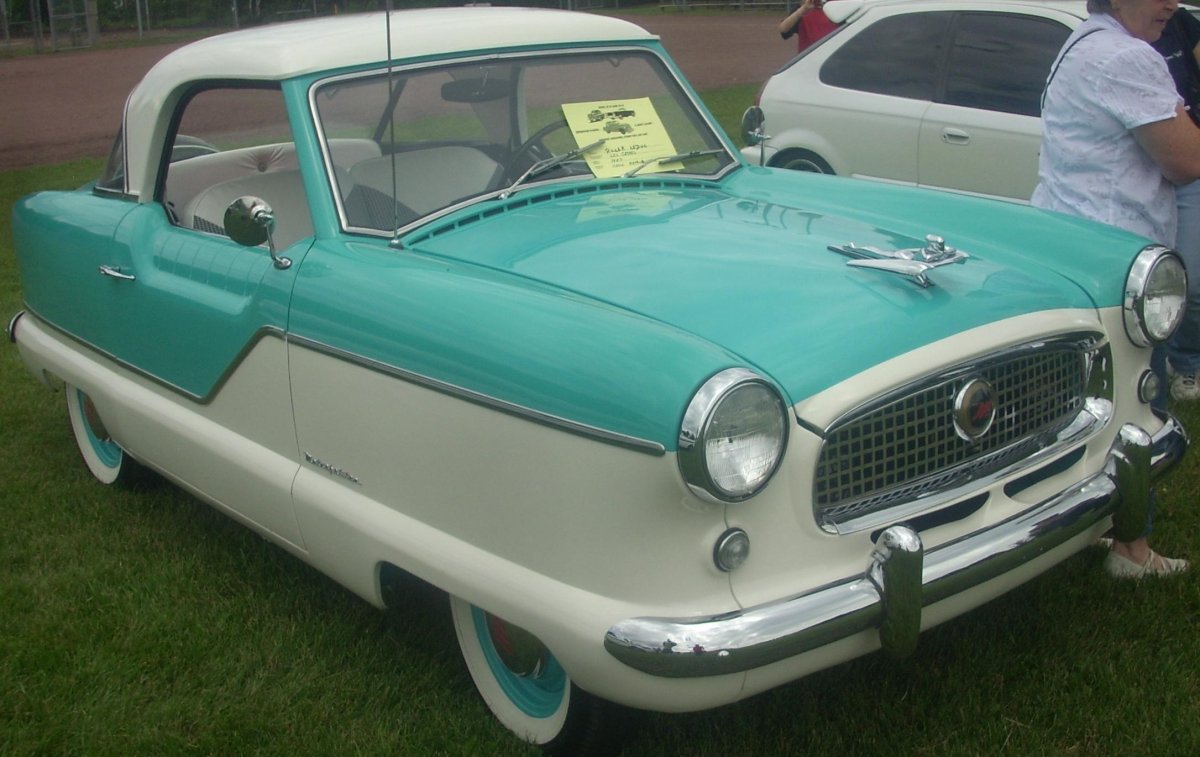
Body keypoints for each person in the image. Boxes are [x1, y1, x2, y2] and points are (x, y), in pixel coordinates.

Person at [1033, 0, 1200, 578]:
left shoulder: (1083, 42)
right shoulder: (1128, 57)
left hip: (1071, 243)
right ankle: (1131, 548)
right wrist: (1182, 120)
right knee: (1134, 406)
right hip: (1116, 261)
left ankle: (1082, 525)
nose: (1172, 5)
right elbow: (1186, 160)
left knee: (1082, 405)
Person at [1153, 8, 1200, 400]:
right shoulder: (1103, 42)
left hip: (1185, 164)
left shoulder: (1180, 25)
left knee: (1190, 280)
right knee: (1149, 286)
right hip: (1139, 172)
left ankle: (1186, 364)